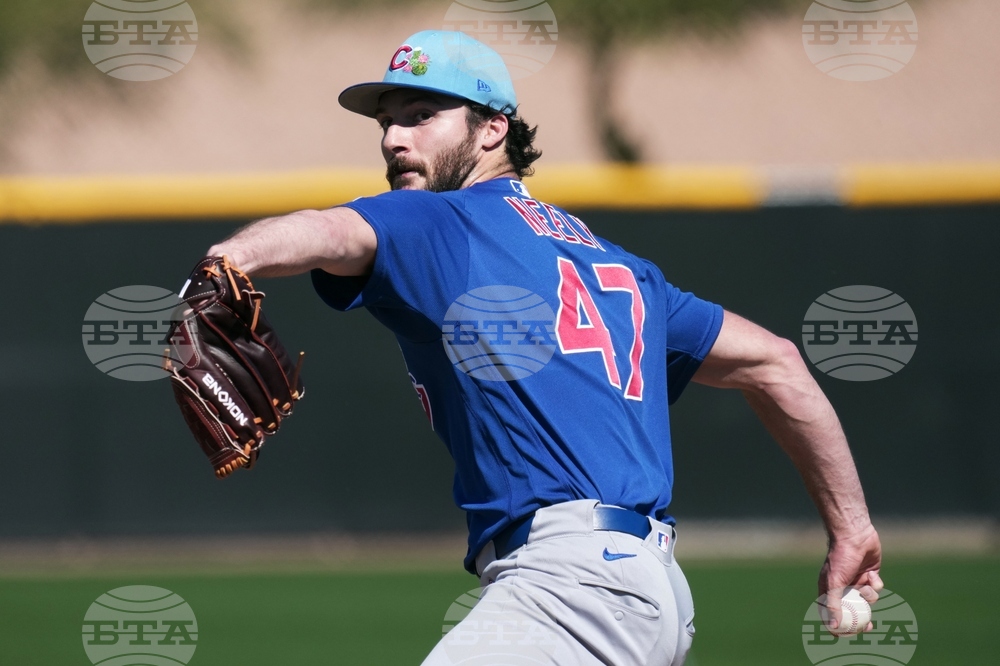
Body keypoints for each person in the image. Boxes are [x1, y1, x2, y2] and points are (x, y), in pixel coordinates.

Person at [205, 30, 883, 666]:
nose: (393, 139)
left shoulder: (441, 221)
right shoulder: (621, 268)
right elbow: (777, 364)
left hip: (573, 588)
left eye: (420, 115)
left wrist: (230, 259)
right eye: (387, 122)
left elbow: (329, 231)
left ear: (493, 127)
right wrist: (851, 527)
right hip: (648, 589)